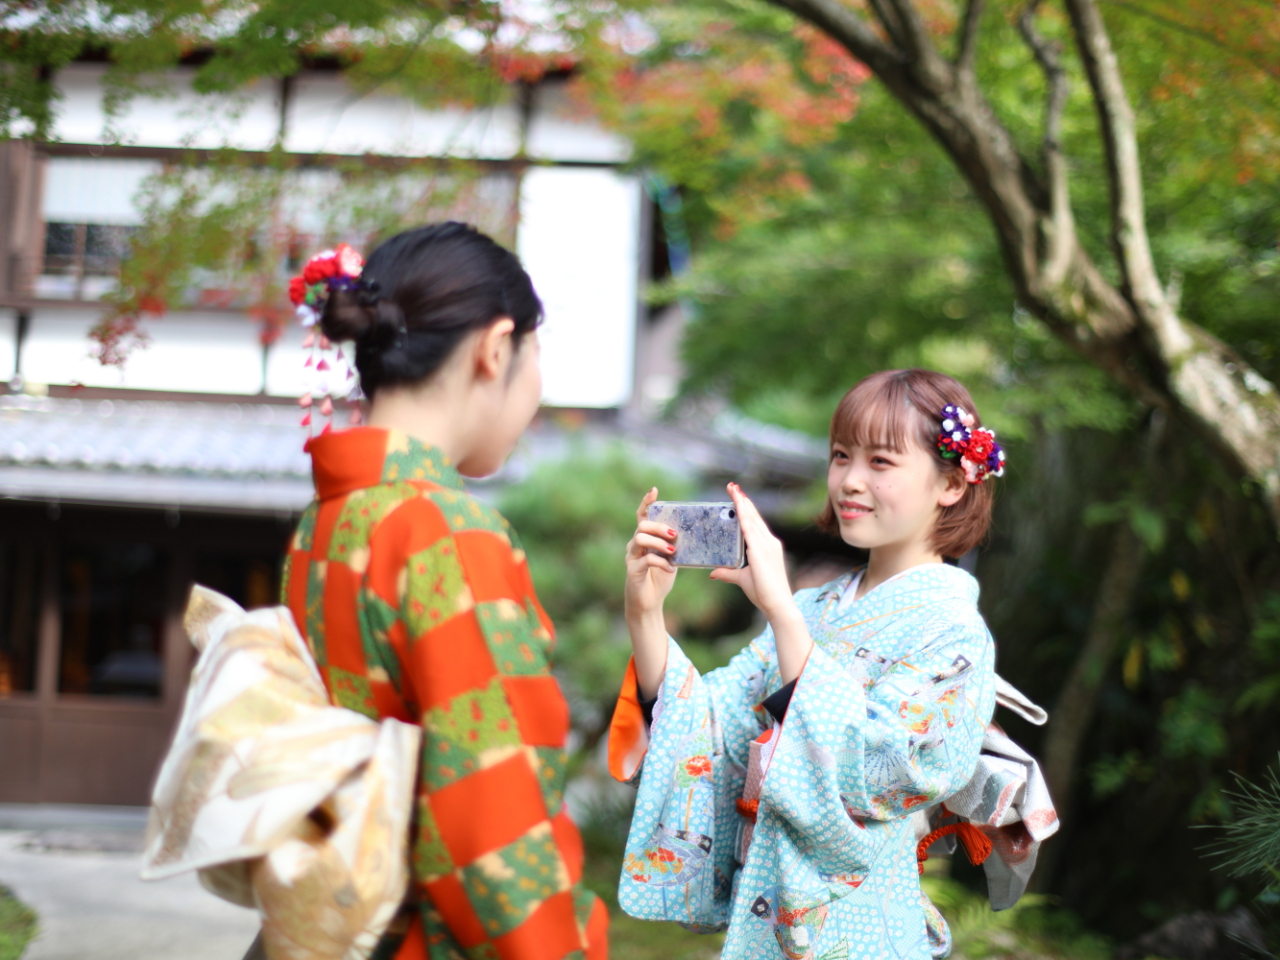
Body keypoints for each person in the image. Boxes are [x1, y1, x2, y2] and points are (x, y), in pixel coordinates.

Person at [282, 223, 608, 960]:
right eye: (536, 357)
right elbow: (492, 833)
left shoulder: (327, 523)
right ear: (497, 350)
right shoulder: (444, 532)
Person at [609, 369, 1004, 960]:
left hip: (864, 932)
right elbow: (711, 727)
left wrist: (780, 613)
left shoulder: (955, 635)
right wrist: (646, 614)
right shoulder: (814, 607)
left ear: (951, 482)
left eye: (881, 462)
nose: (849, 480)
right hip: (767, 931)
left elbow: (875, 776)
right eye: (841, 456)